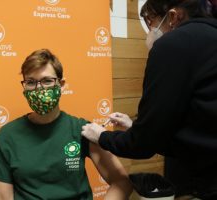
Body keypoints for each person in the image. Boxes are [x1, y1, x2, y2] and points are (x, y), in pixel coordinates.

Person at [81, 0, 217, 199]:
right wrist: (137, 127)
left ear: (173, 16)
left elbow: (142, 147)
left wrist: (102, 136)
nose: (150, 31)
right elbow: (198, 126)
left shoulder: (173, 45)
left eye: (151, 23)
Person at [0, 49, 132, 200]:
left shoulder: (83, 130)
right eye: (31, 82)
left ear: (61, 85)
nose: (39, 89)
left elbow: (121, 181)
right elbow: (1, 196)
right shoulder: (7, 136)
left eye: (47, 81)